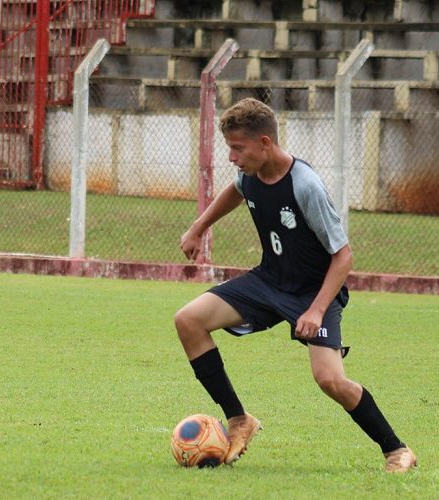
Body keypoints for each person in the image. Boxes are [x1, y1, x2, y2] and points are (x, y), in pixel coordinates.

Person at [174, 98, 417, 473]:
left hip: (313, 292)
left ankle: (396, 450)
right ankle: (239, 419)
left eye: (238, 148)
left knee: (330, 380)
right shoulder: (251, 174)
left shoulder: (305, 186)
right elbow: (235, 190)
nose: (232, 157)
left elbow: (344, 256)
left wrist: (316, 309)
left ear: (265, 143)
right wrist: (197, 227)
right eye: (230, 148)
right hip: (268, 281)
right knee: (188, 320)